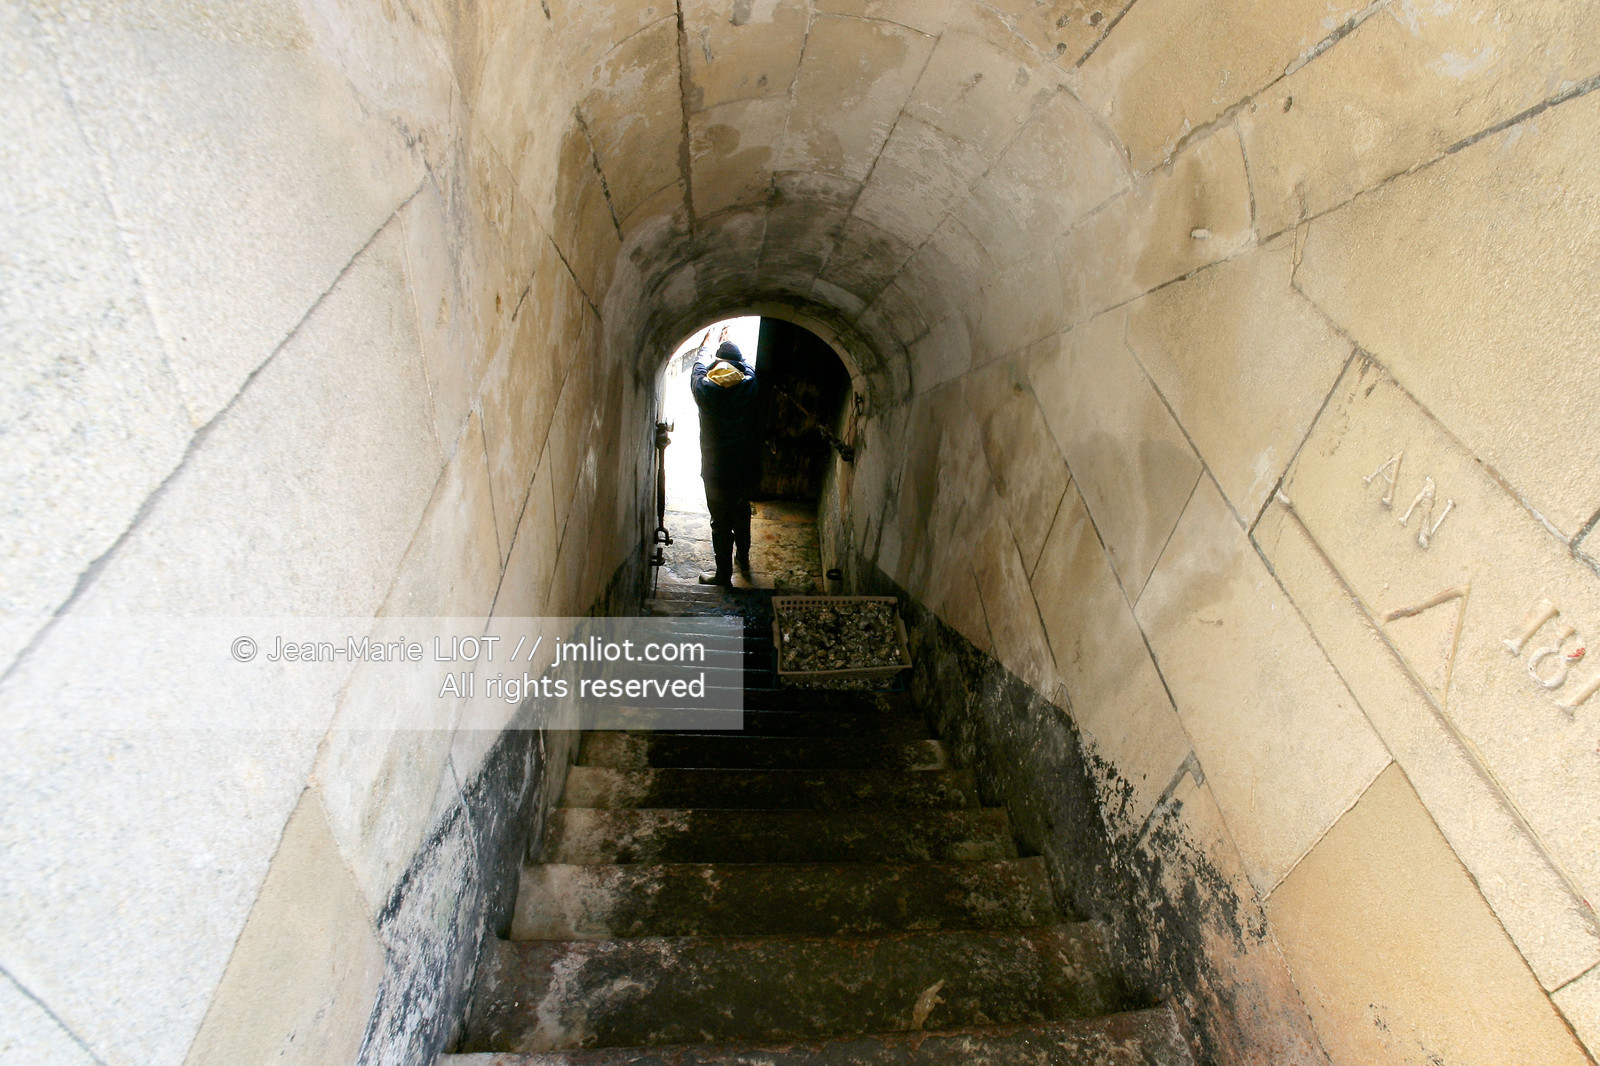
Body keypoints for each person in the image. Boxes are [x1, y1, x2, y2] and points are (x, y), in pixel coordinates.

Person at [690, 331, 759, 584]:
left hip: (715, 470)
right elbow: (749, 366)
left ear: (716, 365)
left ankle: (723, 575)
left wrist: (708, 345)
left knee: (720, 522)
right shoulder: (749, 385)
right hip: (744, 469)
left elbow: (697, 368)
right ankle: (743, 558)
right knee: (741, 513)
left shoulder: (704, 390)